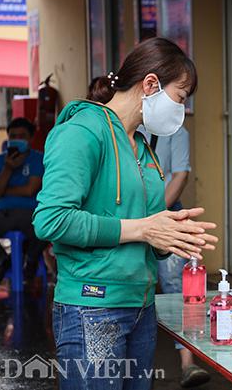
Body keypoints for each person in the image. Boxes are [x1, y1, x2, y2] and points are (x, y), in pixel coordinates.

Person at [33, 37, 219, 390]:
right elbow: (51, 220)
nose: (181, 108)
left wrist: (172, 235)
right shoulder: (82, 132)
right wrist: (142, 230)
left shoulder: (141, 146)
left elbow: (147, 227)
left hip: (140, 307)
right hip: (93, 306)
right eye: (180, 97)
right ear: (150, 84)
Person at [140, 124, 210, 388]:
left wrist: (157, 215)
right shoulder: (127, 130)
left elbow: (180, 175)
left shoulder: (176, 133)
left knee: (177, 287)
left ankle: (187, 363)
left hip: (166, 215)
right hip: (131, 218)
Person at [0, 118, 47, 285]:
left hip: (32, 213)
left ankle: (31, 260)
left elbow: (30, 190)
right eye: (13, 136)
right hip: (3, 213)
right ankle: (0, 260)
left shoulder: (38, 158)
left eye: (22, 136)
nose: (16, 139)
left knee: (48, 225)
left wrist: (0, 188)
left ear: (31, 138)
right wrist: (8, 168)